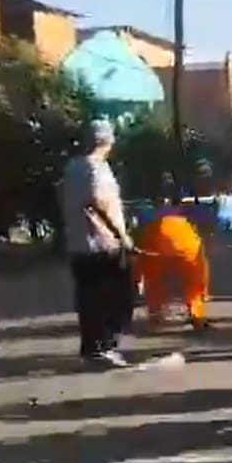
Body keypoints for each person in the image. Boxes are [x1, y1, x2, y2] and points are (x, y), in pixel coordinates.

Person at [60, 119, 135, 368]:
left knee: (89, 298)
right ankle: (104, 345)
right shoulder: (96, 168)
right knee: (115, 296)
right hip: (102, 242)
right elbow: (98, 201)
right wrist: (121, 235)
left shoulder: (72, 167)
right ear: (107, 140)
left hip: (79, 243)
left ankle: (92, 347)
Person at [133, 197, 210, 331]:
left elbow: (141, 257)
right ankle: (196, 314)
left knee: (153, 276)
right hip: (187, 250)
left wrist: (137, 279)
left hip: (156, 247)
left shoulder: (150, 221)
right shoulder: (188, 220)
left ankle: (155, 312)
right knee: (196, 279)